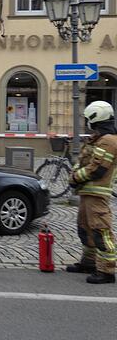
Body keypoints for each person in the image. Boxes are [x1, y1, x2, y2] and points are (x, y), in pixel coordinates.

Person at [66, 100, 117, 284]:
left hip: (97, 195)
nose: (87, 122)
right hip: (87, 194)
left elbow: (97, 169)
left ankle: (107, 271)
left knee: (101, 231)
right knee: (85, 229)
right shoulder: (99, 139)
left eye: (89, 119)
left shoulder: (109, 141)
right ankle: (89, 263)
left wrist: (75, 177)